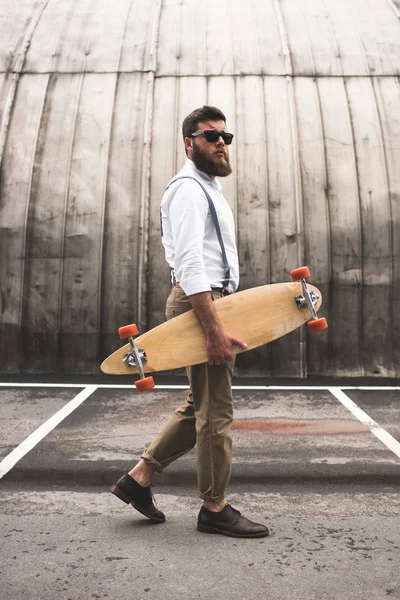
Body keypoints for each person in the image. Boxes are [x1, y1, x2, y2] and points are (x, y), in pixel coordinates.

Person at [110, 106, 269, 538]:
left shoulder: (208, 187)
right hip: (201, 303)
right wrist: (213, 327)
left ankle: (138, 478)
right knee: (216, 411)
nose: (221, 142)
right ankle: (214, 507)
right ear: (188, 143)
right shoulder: (187, 190)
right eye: (210, 135)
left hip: (211, 301)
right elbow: (191, 261)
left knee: (198, 404)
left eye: (225, 137)